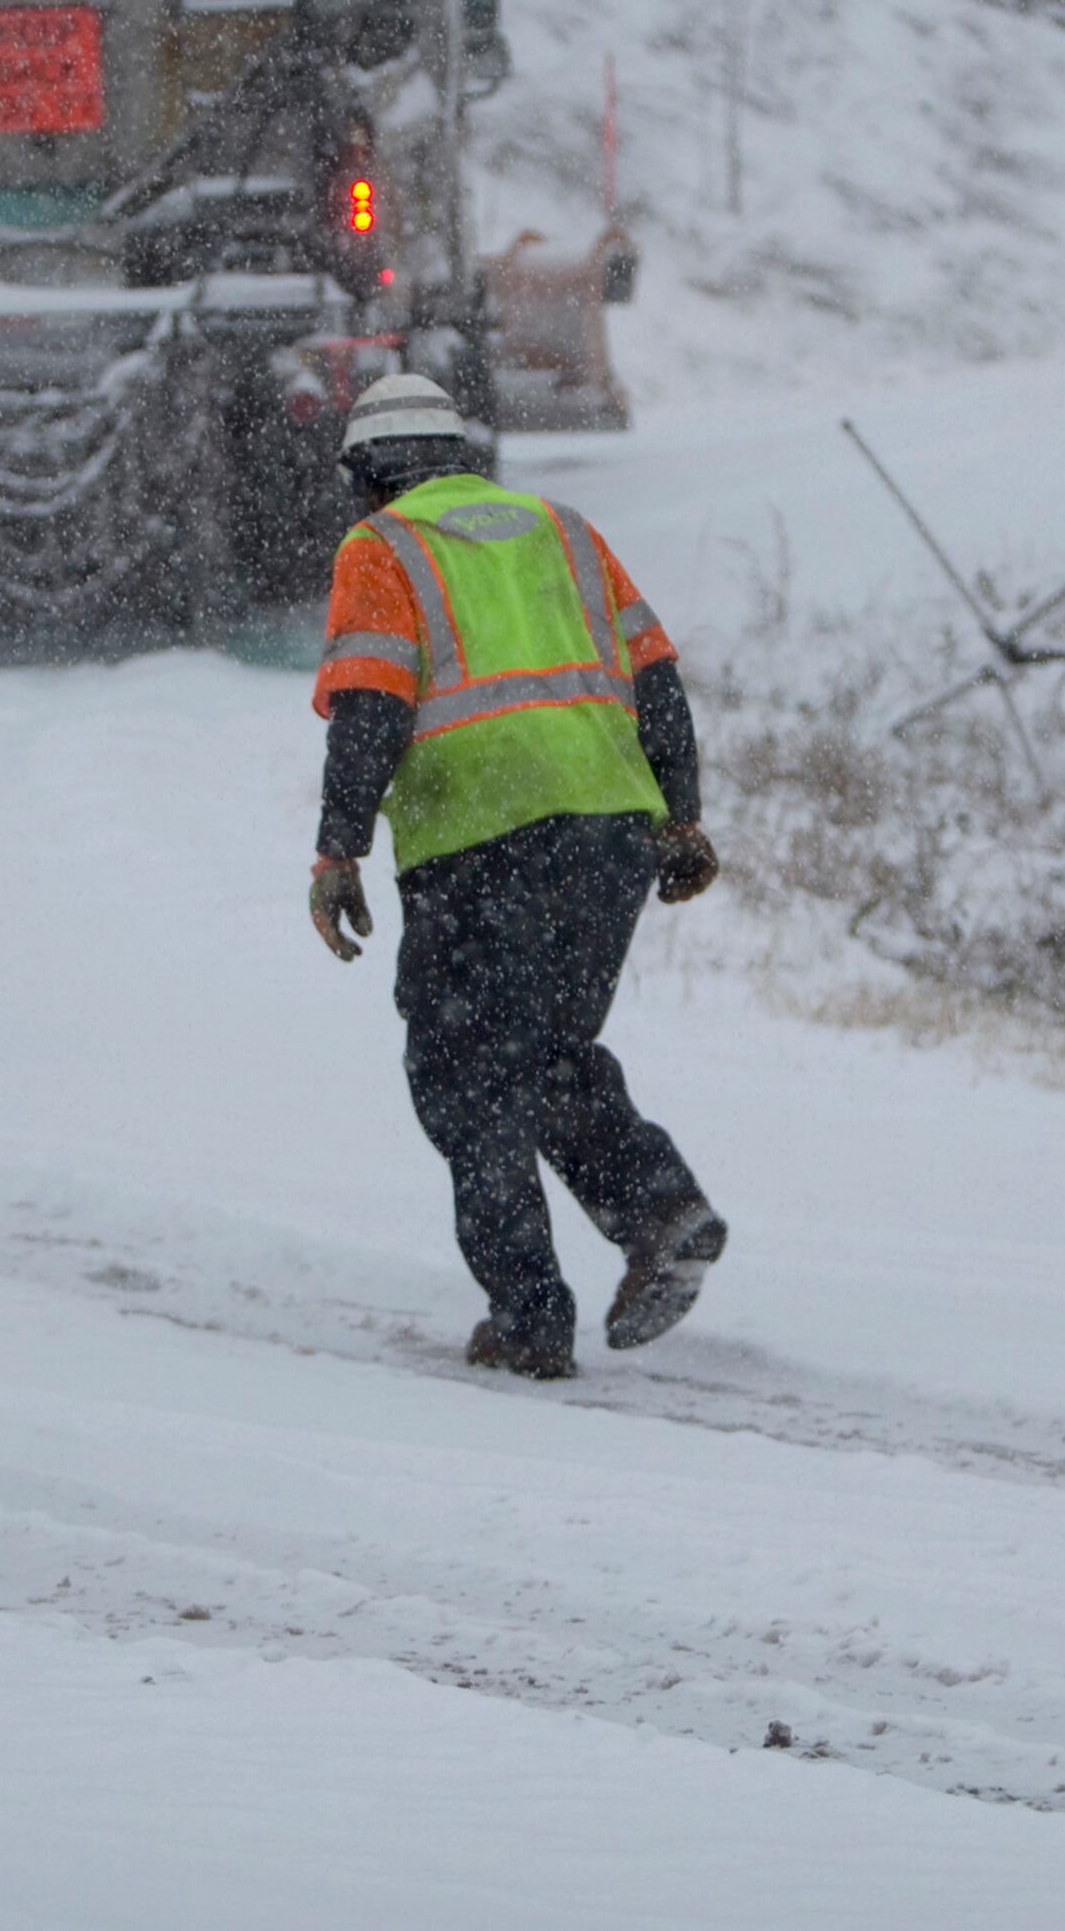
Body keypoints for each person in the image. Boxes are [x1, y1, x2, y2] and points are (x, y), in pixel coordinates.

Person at [306, 373, 726, 1380]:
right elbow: (656, 677)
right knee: (542, 1050)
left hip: (480, 840)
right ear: (462, 453)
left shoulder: (381, 546)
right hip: (610, 833)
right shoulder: (563, 530)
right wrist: (681, 813)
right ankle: (661, 1209)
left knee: (468, 1077)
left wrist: (338, 848)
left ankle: (530, 1319)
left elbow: (369, 704)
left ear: (369, 475)